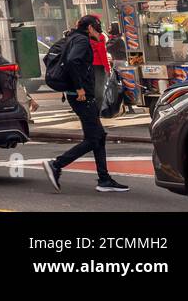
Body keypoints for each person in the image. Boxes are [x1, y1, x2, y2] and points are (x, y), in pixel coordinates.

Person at [43, 15, 130, 194]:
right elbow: (73, 61)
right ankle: (57, 164)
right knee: (94, 137)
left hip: (76, 95)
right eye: (98, 28)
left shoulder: (72, 37)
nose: (100, 33)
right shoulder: (82, 41)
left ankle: (104, 179)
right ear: (90, 28)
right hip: (82, 96)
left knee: (99, 136)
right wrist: (80, 87)